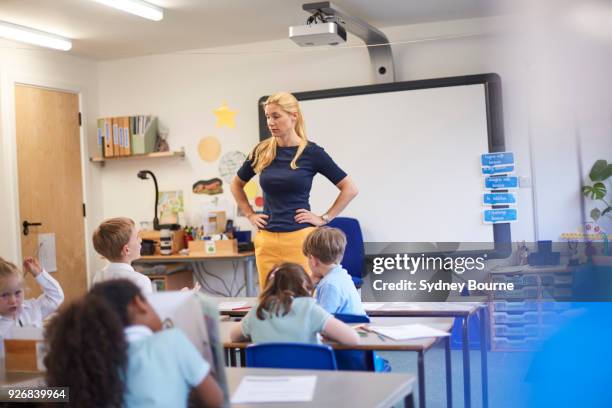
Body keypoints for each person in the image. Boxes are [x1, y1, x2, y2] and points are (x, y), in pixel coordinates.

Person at [231, 92, 358, 289]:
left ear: (293, 116)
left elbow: (349, 188)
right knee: (270, 304)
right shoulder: (261, 151)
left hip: (300, 241)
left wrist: (324, 218)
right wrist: (249, 214)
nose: (270, 122)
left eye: (276, 116)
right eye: (267, 116)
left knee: (303, 301)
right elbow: (236, 184)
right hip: (267, 241)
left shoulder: (312, 153)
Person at [44, 279, 224, 408]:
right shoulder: (173, 340)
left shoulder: (93, 358)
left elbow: (27, 395)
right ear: (140, 303)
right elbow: (215, 400)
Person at [230, 263, 359, 346]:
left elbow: (233, 336)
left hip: (268, 380)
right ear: (304, 285)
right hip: (309, 380)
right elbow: (353, 339)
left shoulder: (259, 308)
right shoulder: (309, 308)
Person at [303, 226, 366, 316]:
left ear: (312, 260)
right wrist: (311, 285)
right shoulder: (340, 274)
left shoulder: (329, 285)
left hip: (350, 328)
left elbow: (321, 322)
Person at [0, 256, 64, 337]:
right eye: (4, 295)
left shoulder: (33, 309)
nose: (13, 301)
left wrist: (39, 274)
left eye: (17, 292)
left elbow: (56, 297)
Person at [92, 217, 153, 294]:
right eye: (137, 237)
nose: (140, 240)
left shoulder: (98, 277)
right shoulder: (141, 280)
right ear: (126, 250)